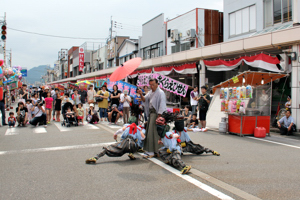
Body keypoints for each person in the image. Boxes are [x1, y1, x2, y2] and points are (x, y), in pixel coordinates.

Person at [138, 78, 167, 157]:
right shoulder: (150, 92)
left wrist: (159, 116)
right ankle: (153, 150)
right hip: (151, 114)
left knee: (154, 133)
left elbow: (162, 105)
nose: (152, 86)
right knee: (150, 132)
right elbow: (144, 99)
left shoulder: (161, 93)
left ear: (157, 84)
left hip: (157, 114)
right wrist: (141, 94)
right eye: (150, 85)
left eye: (153, 84)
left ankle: (155, 151)